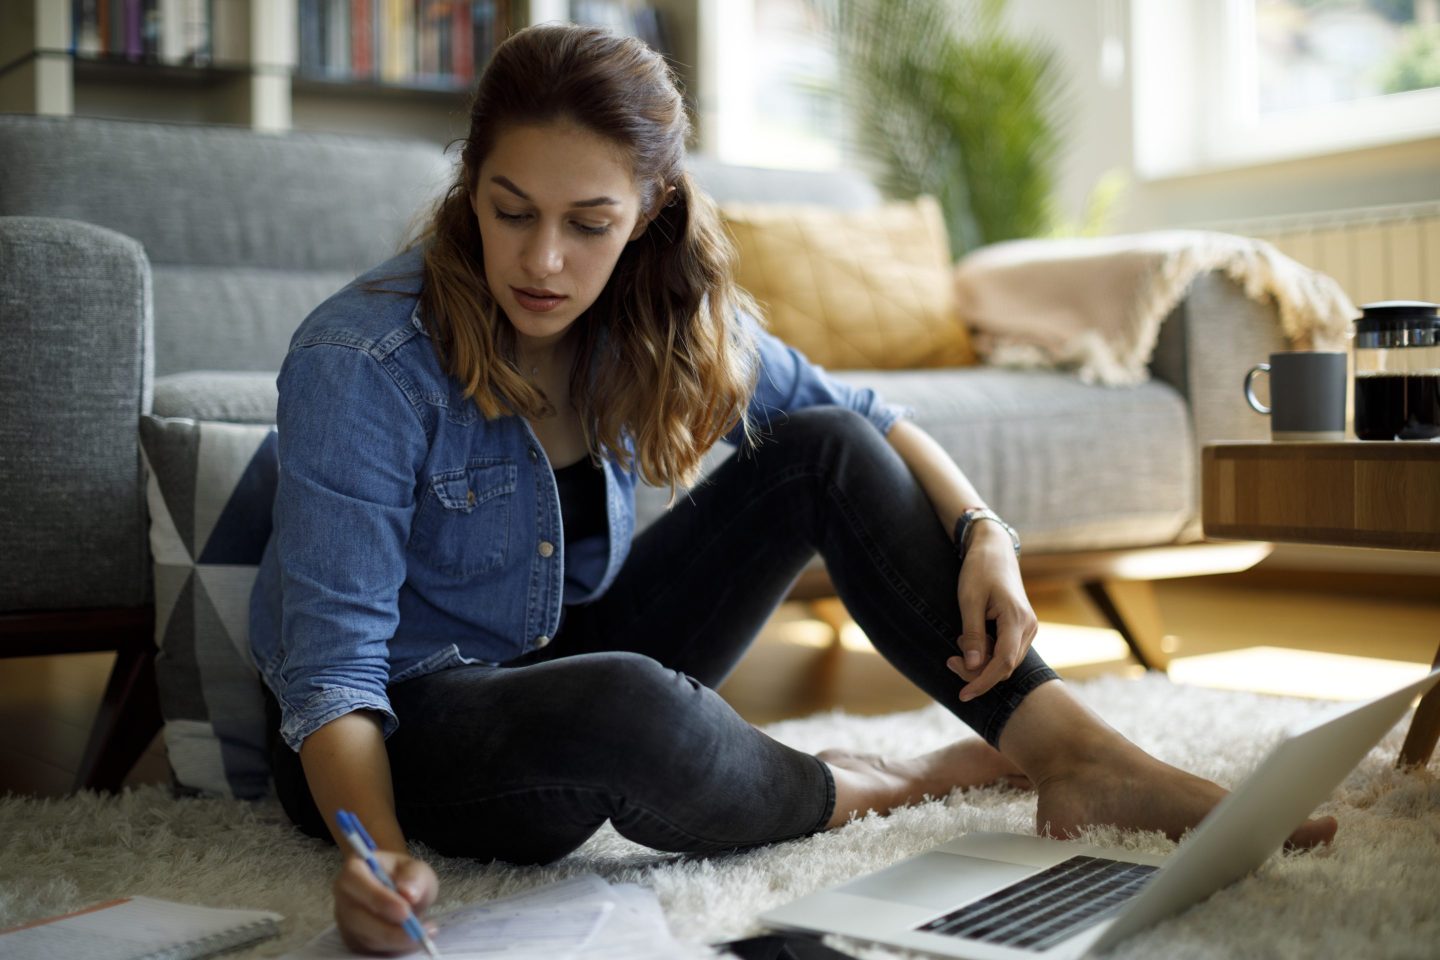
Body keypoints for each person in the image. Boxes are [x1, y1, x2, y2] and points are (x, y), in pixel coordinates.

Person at [249, 22, 1337, 955]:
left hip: (562, 648)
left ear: (648, 212)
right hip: (400, 722)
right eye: (510, 210)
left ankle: (1075, 752)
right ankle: (875, 783)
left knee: (817, 445)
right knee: (629, 704)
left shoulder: (649, 309)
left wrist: (985, 531)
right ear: (467, 188)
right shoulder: (366, 359)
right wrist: (379, 859)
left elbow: (861, 420)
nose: (542, 262)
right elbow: (334, 675)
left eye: (589, 224)